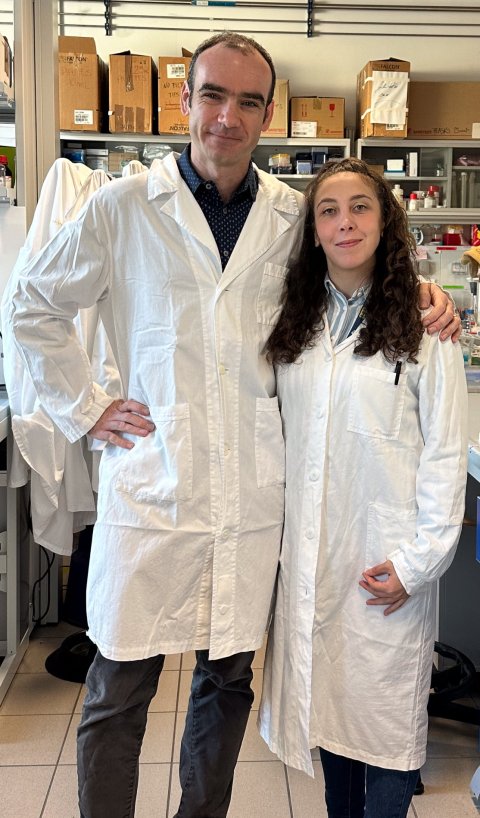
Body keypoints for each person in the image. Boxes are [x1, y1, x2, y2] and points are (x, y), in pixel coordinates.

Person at [8, 33, 457, 818]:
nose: (228, 116)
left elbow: (357, 259)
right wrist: (87, 406)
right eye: (213, 94)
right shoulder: (121, 206)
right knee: (120, 688)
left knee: (226, 684)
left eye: (249, 101)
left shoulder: (290, 216)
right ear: (187, 100)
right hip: (154, 488)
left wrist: (425, 295)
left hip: (252, 499)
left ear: (267, 113)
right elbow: (32, 307)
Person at [259, 157, 468, 818]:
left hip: (386, 562)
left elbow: (443, 453)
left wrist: (419, 561)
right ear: (313, 229)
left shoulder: (425, 325)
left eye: (359, 207)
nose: (344, 221)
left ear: (386, 220)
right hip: (313, 559)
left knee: (384, 734)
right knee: (330, 725)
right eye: (328, 210)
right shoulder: (290, 321)